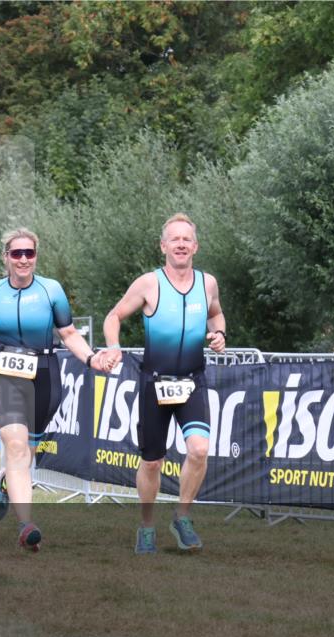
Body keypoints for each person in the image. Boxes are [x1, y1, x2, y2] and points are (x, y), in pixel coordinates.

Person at [0, 229, 107, 552]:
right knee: (16, 446)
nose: (24, 259)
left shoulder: (51, 290)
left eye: (29, 253)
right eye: (17, 254)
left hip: (45, 374)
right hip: (3, 373)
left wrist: (92, 357)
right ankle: (26, 525)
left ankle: (5, 483)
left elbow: (68, 333)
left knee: (27, 450)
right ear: (6, 258)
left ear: (36, 256)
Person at [102, 213, 226, 554]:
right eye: (175, 239)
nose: (181, 244)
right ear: (163, 246)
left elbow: (216, 313)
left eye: (187, 239)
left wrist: (219, 333)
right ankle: (146, 526)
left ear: (195, 246)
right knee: (152, 461)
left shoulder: (208, 283)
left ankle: (182, 516)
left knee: (199, 449)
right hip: (154, 384)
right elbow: (113, 316)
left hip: (192, 381)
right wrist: (113, 347)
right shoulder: (148, 284)